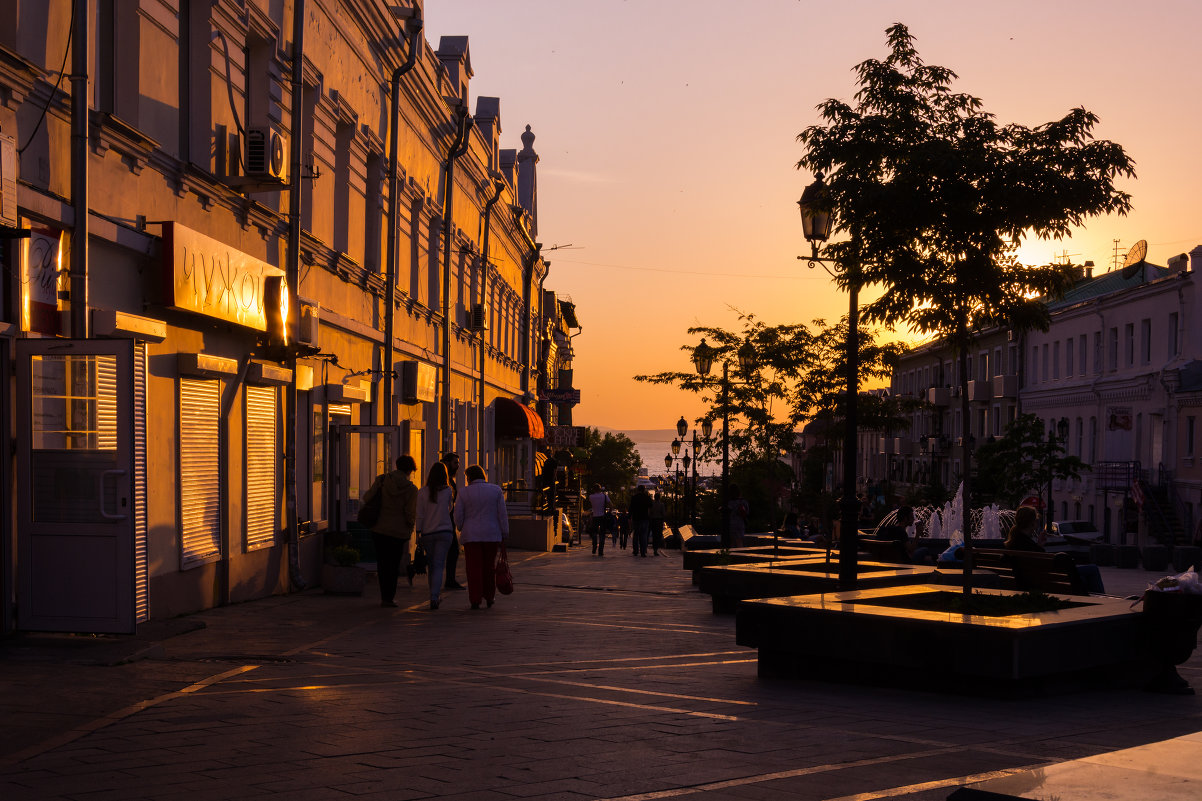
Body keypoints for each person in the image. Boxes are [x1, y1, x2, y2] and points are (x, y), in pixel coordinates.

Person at [363, 455, 418, 608]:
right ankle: (390, 597)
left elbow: (367, 497)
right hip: (398, 532)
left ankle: (383, 596)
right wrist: (410, 528)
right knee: (393, 564)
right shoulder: (411, 489)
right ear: (410, 470)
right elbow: (410, 513)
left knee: (382, 562)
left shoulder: (382, 480)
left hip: (379, 528)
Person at [453, 464, 509, 609]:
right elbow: (502, 514)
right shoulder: (496, 490)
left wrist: (460, 527)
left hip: (471, 535)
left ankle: (475, 598)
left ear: (469, 477)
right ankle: (489, 596)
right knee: (489, 568)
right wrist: (504, 532)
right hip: (491, 534)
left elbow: (458, 514)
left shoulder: (464, 492)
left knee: (473, 568)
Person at [416, 461, 455, 610]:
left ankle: (433, 594)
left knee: (432, 565)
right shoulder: (448, 491)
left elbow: (419, 515)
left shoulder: (422, 492)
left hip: (427, 533)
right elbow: (450, 509)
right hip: (444, 532)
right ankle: (434, 596)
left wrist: (418, 532)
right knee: (439, 565)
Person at [439, 452, 466, 591]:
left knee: (448, 551)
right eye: (455, 463)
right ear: (448, 463)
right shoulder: (445, 480)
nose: (458, 466)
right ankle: (449, 580)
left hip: (446, 520)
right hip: (445, 521)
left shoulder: (447, 478)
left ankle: (450, 579)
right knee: (452, 550)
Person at [587, 484, 612, 556]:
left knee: (594, 532)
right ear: (600, 489)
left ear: (594, 489)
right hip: (602, 516)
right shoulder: (604, 496)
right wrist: (609, 512)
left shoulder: (591, 497)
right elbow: (611, 505)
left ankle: (594, 545)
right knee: (602, 534)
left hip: (595, 516)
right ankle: (600, 550)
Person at [629, 485, 652, 557]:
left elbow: (631, 508)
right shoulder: (647, 498)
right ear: (644, 490)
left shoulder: (634, 498)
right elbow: (651, 507)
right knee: (643, 535)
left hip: (636, 518)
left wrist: (629, 517)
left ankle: (635, 550)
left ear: (638, 490)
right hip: (644, 518)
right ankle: (643, 552)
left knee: (636, 535)